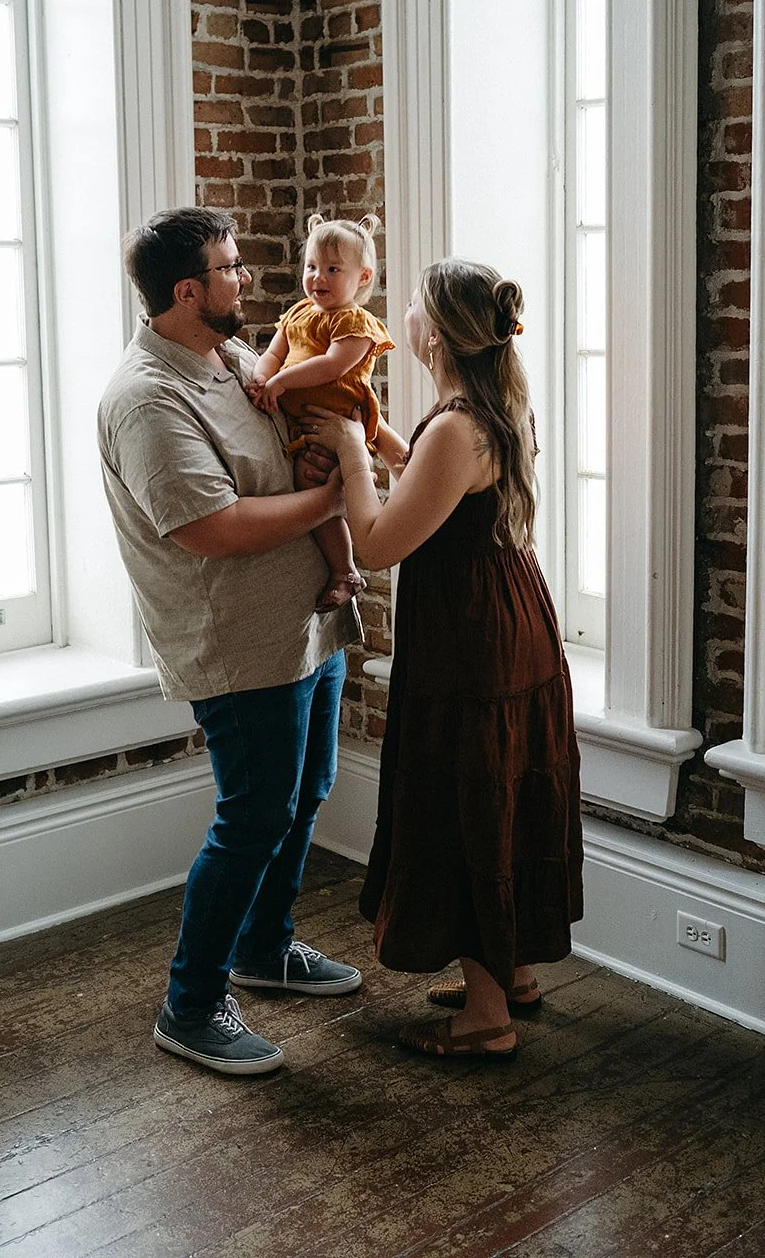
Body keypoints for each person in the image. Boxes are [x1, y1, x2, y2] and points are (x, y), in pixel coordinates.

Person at [98, 207, 363, 1078]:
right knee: (251, 817)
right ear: (188, 290)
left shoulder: (235, 358)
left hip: (304, 626)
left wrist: (325, 464)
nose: (246, 278)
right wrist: (332, 502)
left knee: (305, 791)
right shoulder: (146, 397)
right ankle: (190, 1002)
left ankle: (264, 948)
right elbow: (212, 528)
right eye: (231, 267)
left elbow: (286, 446)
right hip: (236, 643)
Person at [313, 258, 584, 1059]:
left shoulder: (456, 427)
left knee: (467, 805)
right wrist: (377, 439)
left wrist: (348, 454)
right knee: (505, 793)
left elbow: (379, 539)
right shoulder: (498, 408)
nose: (402, 316)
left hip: (468, 637)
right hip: (514, 616)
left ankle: (485, 1019)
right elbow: (433, 484)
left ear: (434, 334)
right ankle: (515, 974)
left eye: (412, 309)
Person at [247, 214, 394, 609]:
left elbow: (332, 365)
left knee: (315, 489)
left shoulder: (355, 322)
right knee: (304, 488)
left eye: (332, 269)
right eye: (311, 267)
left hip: (338, 426)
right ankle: (336, 568)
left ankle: (344, 569)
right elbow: (274, 354)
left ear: (362, 278)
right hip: (306, 426)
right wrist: (262, 377)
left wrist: (282, 382)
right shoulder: (298, 314)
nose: (318, 278)